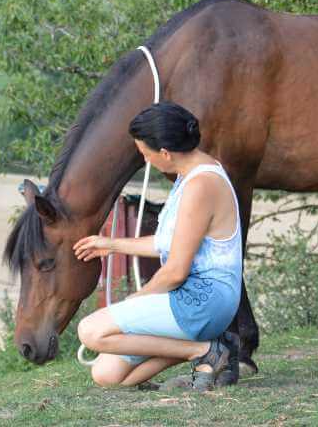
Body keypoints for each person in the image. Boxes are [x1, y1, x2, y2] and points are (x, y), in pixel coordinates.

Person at [74, 101, 242, 390]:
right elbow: (168, 243)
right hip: (196, 302)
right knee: (107, 375)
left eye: (145, 153)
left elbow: (176, 271)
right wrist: (112, 244)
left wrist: (136, 300)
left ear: (165, 152)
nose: (146, 160)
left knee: (90, 331)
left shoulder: (201, 186)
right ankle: (211, 346)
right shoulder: (190, 175)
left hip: (203, 302)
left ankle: (203, 352)